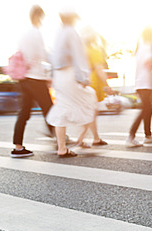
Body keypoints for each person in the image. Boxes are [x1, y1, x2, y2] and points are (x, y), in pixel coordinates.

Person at [46, 6, 96, 157]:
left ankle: (62, 147)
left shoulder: (58, 32)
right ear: (73, 18)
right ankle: (82, 136)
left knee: (63, 107)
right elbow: (78, 56)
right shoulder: (71, 32)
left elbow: (52, 55)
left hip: (58, 76)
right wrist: (84, 78)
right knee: (90, 97)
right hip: (68, 74)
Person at [10, 5, 51, 158]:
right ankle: (60, 140)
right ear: (39, 17)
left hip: (23, 78)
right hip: (35, 77)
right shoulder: (36, 33)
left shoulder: (23, 34)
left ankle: (18, 147)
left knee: (24, 112)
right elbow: (42, 55)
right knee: (50, 109)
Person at [73, 28, 109, 148]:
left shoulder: (80, 51)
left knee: (91, 112)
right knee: (91, 112)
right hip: (93, 84)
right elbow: (99, 69)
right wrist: (107, 85)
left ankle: (96, 138)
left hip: (81, 83)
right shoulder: (94, 51)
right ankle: (80, 139)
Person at [128, 27, 152, 147]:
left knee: (148, 110)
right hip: (146, 83)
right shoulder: (148, 47)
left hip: (140, 83)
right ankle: (131, 136)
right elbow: (150, 64)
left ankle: (148, 135)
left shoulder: (139, 47)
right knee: (145, 109)